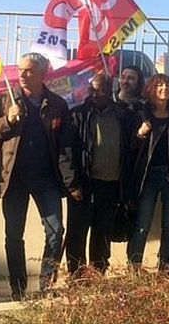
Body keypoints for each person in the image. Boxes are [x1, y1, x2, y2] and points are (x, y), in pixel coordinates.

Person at [0, 52, 69, 300]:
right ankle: (17, 289)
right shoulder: (4, 100)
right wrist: (8, 121)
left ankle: (46, 284)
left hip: (46, 179)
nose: (22, 74)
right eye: (20, 69)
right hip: (14, 179)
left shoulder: (57, 104)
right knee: (14, 235)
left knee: (55, 231)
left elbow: (65, 144)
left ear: (43, 73)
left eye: (29, 70)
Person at [60, 73, 133, 275]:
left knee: (102, 233)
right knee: (77, 233)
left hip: (110, 185)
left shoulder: (122, 115)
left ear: (109, 91)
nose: (92, 93)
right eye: (90, 89)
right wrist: (72, 184)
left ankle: (97, 274)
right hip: (83, 185)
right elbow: (65, 152)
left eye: (98, 89)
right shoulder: (77, 115)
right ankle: (76, 276)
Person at [127, 74, 169, 271]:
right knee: (142, 224)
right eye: (160, 85)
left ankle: (165, 268)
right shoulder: (141, 114)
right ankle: (134, 267)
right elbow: (129, 147)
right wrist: (139, 133)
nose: (164, 89)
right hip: (148, 176)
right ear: (152, 89)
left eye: (168, 85)